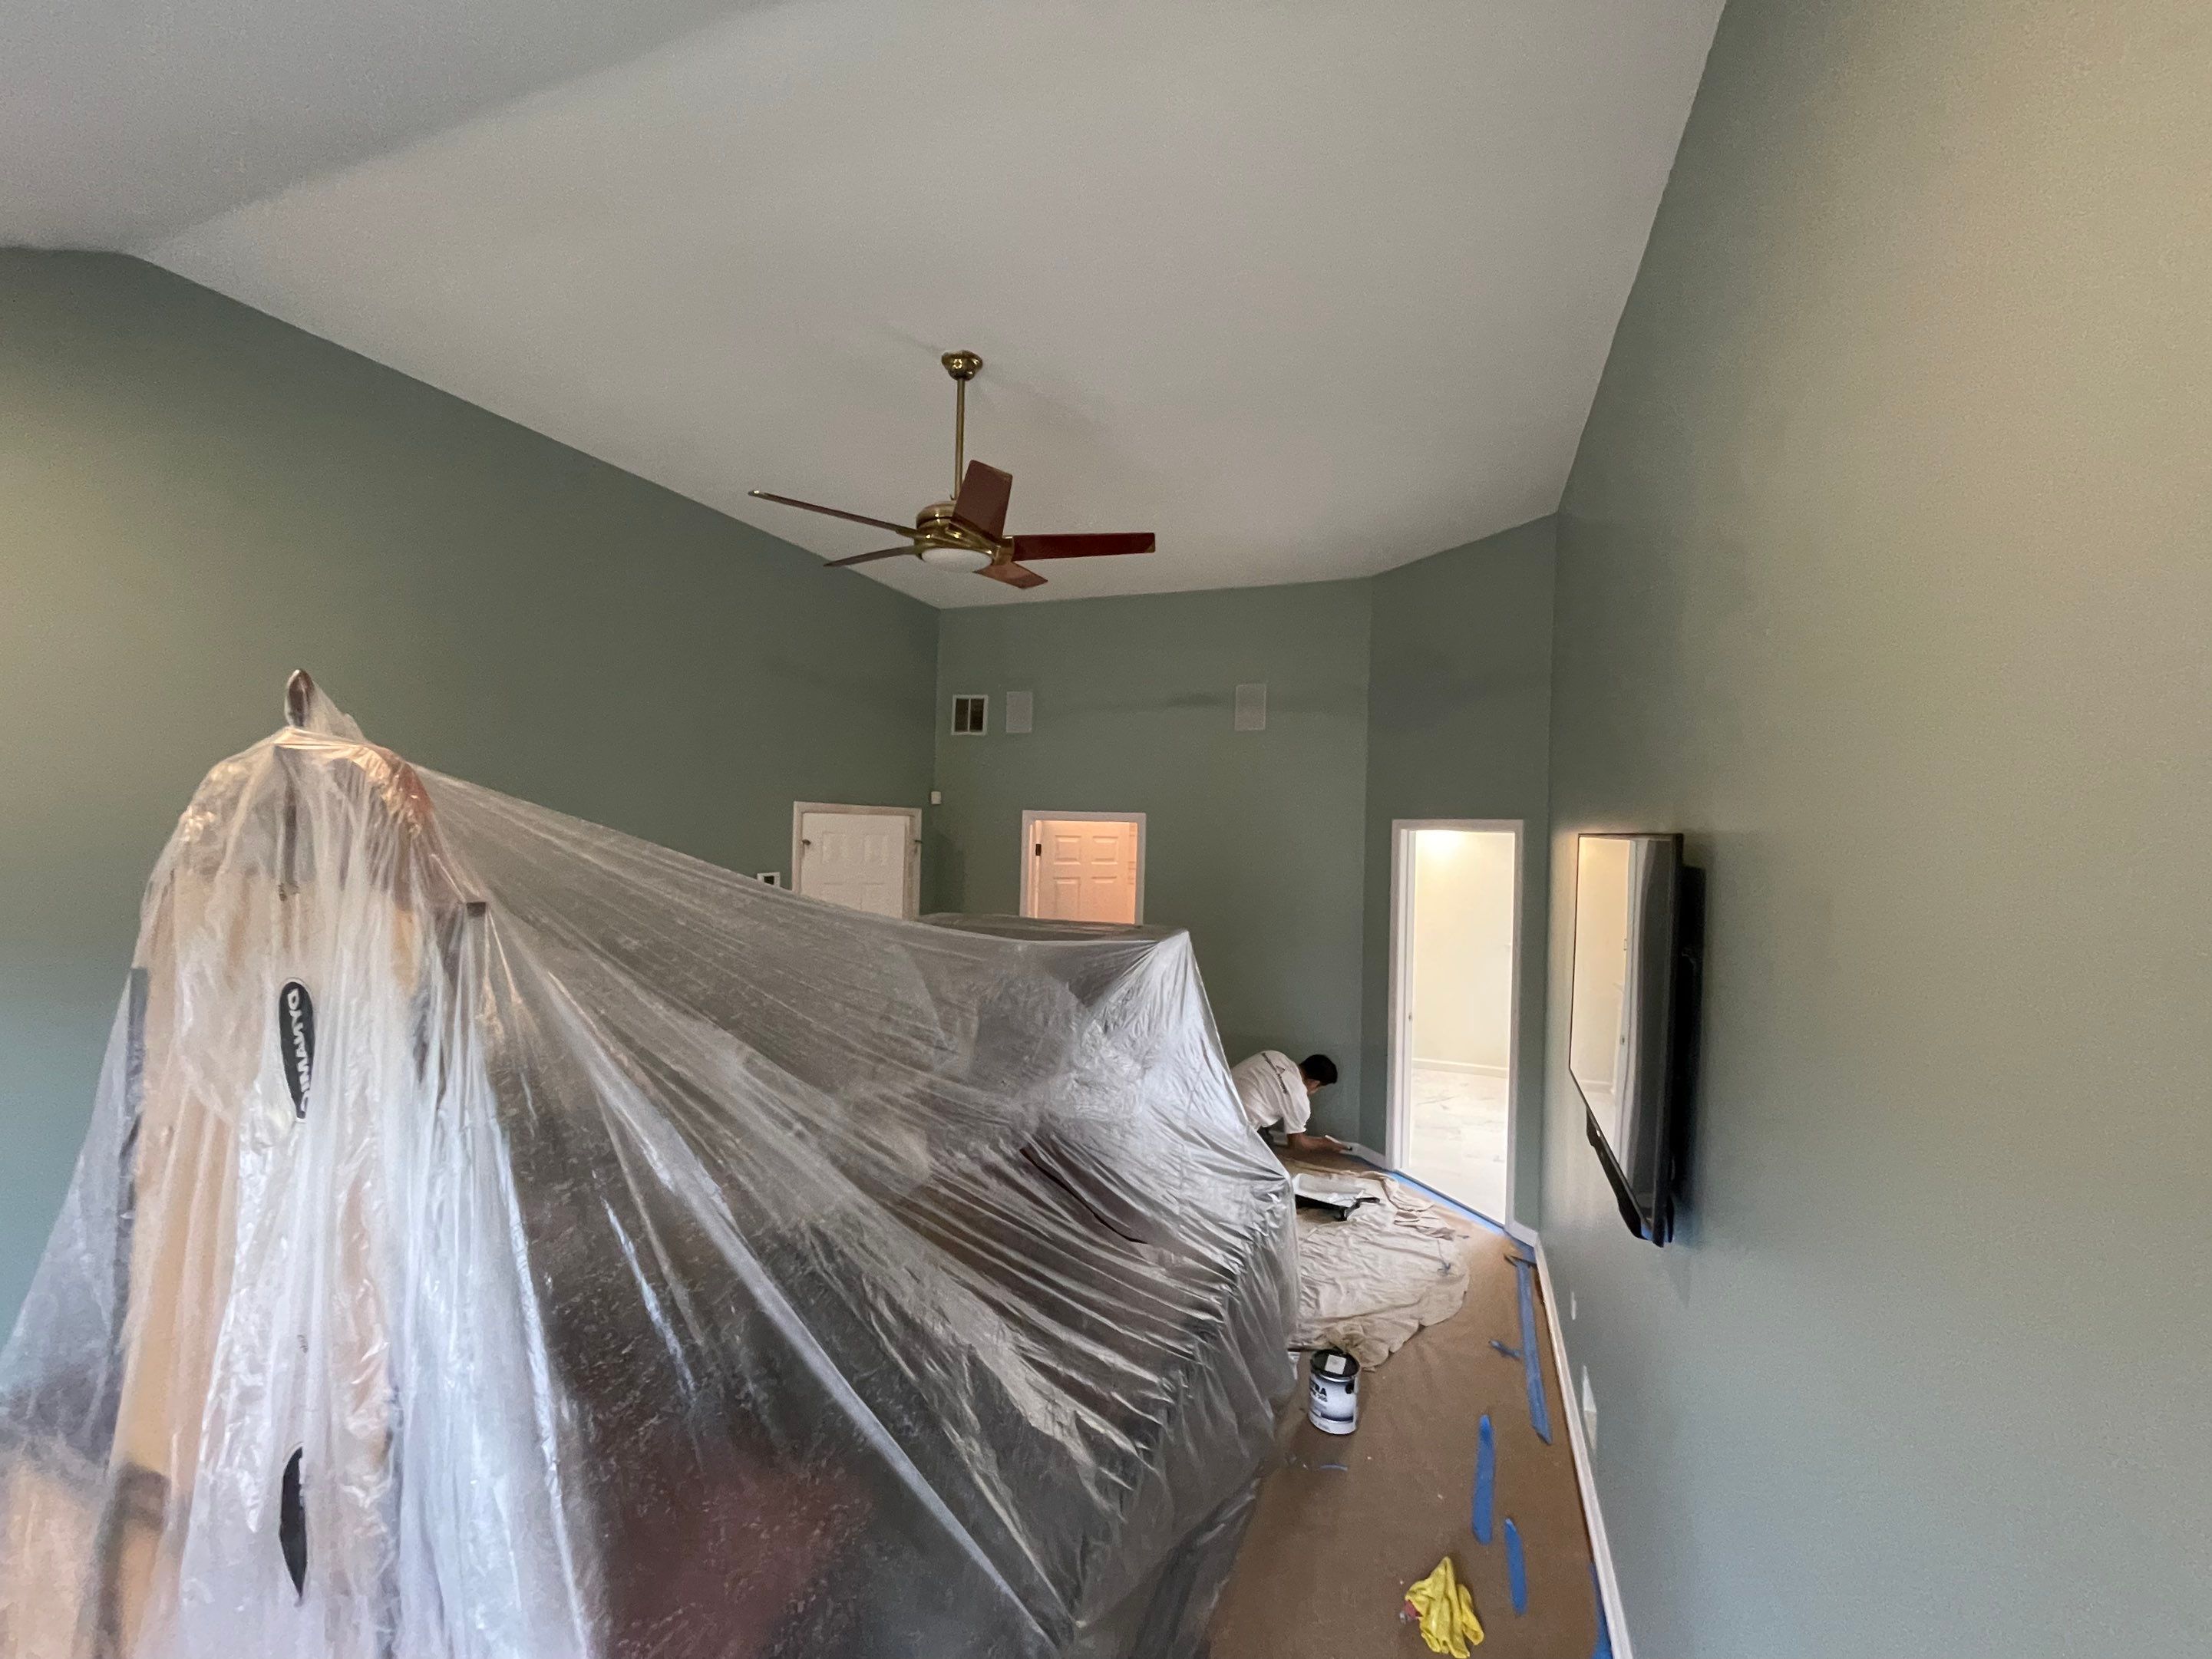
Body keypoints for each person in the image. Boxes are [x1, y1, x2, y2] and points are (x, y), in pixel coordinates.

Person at [1230, 1050, 1348, 1156]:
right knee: (1270, 1167)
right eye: (1318, 1088)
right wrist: (1325, 1144)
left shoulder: (1274, 1055)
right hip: (1234, 1127)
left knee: (1266, 1124)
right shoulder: (1299, 1098)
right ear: (1314, 1082)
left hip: (1217, 1101)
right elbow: (1297, 1144)